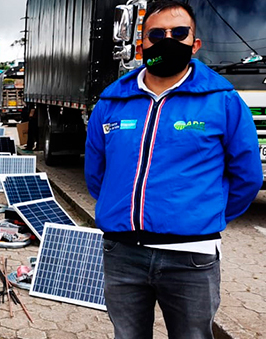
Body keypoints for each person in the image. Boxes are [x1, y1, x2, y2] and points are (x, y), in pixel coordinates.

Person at [84, 2, 262, 338]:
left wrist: (201, 214)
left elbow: (247, 176)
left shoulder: (222, 100)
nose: (168, 40)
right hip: (122, 255)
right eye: (157, 34)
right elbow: (97, 173)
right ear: (141, 45)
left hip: (191, 259)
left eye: (179, 33)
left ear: (195, 44)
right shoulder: (111, 102)